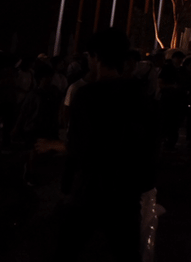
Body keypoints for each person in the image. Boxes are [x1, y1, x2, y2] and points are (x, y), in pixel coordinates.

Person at [62, 28, 159, 261]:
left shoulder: (85, 96)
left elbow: (79, 148)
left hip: (89, 190)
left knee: (67, 251)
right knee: (126, 252)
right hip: (126, 193)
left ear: (95, 56)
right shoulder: (142, 97)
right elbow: (152, 146)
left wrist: (66, 186)